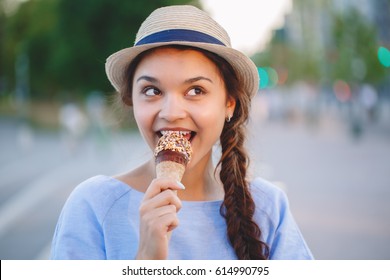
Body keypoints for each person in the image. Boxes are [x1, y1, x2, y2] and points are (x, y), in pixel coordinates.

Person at [50, 5, 313, 260]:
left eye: (195, 90)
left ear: (229, 103)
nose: (172, 112)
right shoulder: (93, 206)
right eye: (152, 91)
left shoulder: (268, 208)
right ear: (132, 101)